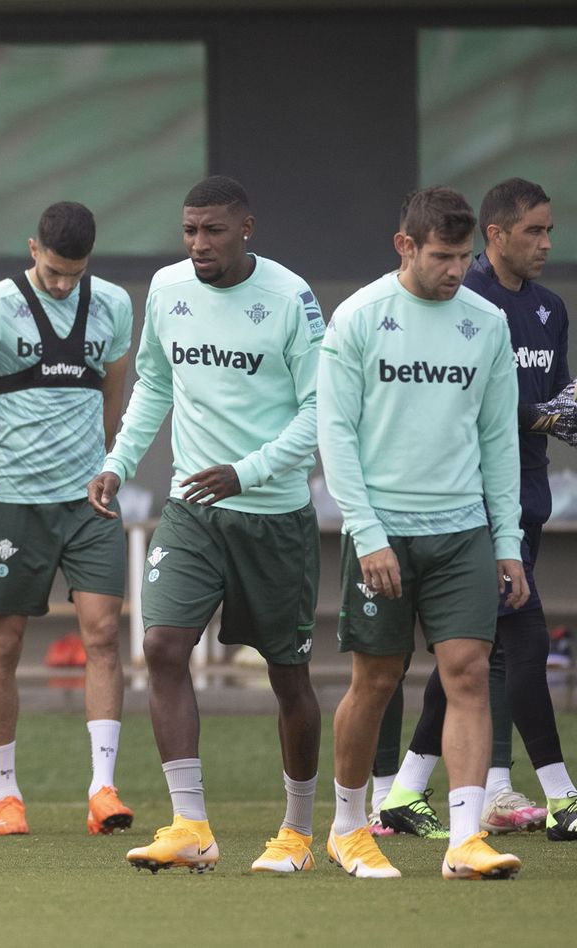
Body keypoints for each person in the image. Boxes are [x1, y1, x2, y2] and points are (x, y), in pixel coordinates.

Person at [88, 175, 324, 874]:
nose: (198, 244)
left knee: (289, 678)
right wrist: (119, 461)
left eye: (213, 230)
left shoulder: (290, 298)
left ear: (246, 227)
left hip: (272, 514)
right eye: (189, 230)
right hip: (193, 510)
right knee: (161, 647)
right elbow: (155, 382)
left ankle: (298, 832)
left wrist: (246, 472)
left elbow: (321, 411)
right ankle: (191, 825)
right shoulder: (168, 289)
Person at [318, 185, 526, 880]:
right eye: (442, 255)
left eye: (466, 257)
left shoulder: (487, 323)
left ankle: (465, 840)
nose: (456, 270)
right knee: (376, 679)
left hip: (463, 529)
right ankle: (349, 827)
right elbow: (336, 436)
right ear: (405, 246)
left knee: (466, 671)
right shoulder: (358, 318)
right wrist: (368, 532)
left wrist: (506, 541)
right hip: (383, 532)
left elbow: (500, 439)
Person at [368, 178, 577, 844]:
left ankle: (403, 791)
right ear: (495, 234)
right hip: (473, 504)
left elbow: (554, 400)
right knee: (522, 640)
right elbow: (467, 412)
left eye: (549, 230)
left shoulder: (550, 309)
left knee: (474, 654)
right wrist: (546, 416)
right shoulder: (466, 303)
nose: (545, 242)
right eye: (533, 230)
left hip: (528, 499)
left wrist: (562, 415)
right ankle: (563, 798)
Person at [0, 201, 134, 837]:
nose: (64, 283)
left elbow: (115, 395)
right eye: (54, 270)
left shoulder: (115, 305)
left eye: (76, 273)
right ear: (32, 248)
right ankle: (6, 794)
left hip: (89, 501)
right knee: (4, 644)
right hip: (12, 500)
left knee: (103, 634)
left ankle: (102, 789)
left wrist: (111, 465)